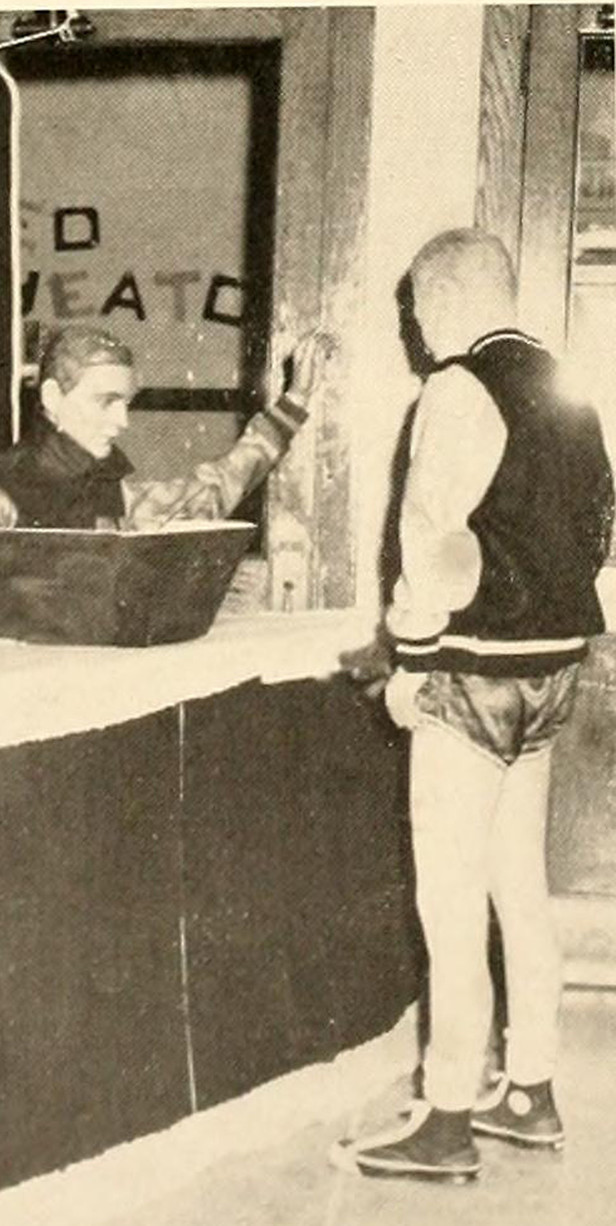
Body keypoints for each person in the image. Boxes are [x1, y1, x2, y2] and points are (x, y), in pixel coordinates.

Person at [331, 228, 614, 1183]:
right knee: (517, 887)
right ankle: (530, 1090)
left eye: (415, 309)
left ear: (444, 299)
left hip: (472, 672)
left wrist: (411, 660)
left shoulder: (458, 388)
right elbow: (600, 531)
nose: (415, 331)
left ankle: (446, 1117)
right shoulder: (570, 388)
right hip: (552, 671)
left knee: (449, 900)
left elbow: (432, 542)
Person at [0, 245, 325, 531]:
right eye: (106, 401)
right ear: (52, 398)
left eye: (125, 403)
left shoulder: (113, 491)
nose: (122, 421)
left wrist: (293, 405)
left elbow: (208, 495)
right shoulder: (0, 488)